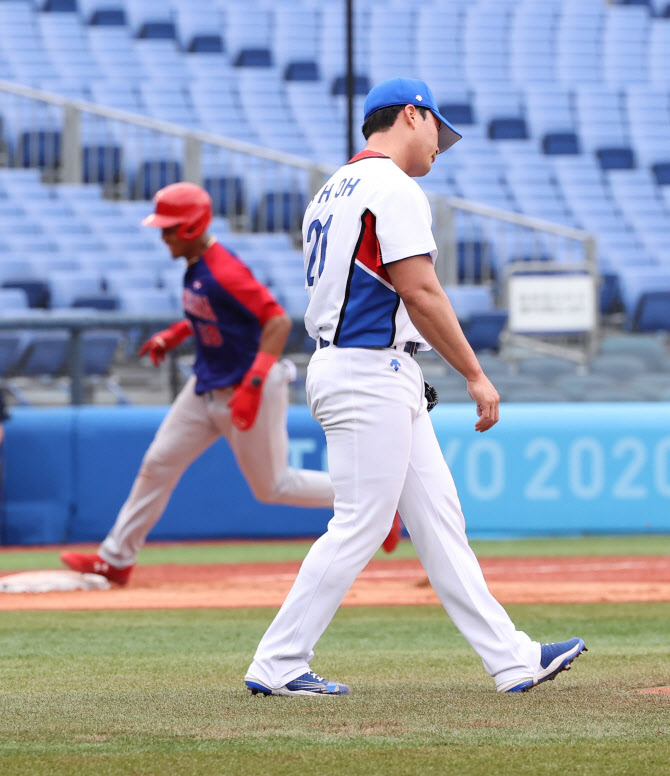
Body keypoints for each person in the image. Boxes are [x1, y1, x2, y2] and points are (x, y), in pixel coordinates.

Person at [244, 78, 586, 697]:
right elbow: (420, 290)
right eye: (438, 132)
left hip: (373, 365)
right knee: (360, 525)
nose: (440, 147)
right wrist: (475, 374)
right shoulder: (390, 185)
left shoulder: (330, 189)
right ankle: (278, 660)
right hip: (365, 368)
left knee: (439, 522)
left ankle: (513, 660)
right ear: (412, 115)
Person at [60, 182, 403, 585]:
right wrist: (175, 334)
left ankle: (373, 503)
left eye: (169, 228)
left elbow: (276, 320)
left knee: (274, 486)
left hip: (249, 383)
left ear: (189, 228)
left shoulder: (224, 269)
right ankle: (115, 559)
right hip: (208, 381)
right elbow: (214, 314)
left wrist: (253, 384)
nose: (163, 235)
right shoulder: (197, 265)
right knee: (157, 464)